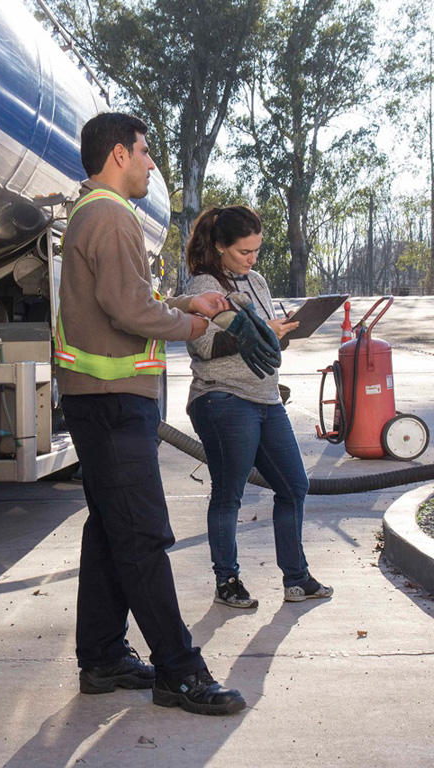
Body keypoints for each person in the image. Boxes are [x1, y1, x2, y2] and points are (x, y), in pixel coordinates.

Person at [55, 112, 250, 715]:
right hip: (112, 404)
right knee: (140, 534)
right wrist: (193, 323)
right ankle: (178, 669)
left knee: (109, 529)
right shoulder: (111, 216)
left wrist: (190, 298)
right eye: (145, 152)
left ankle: (104, 657)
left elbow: (129, 298)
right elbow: (128, 311)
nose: (150, 164)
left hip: (99, 400)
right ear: (118, 154)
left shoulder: (94, 214)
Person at [185, 205, 334, 609]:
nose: (251, 260)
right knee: (230, 494)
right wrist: (258, 332)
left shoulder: (259, 282)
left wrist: (280, 333)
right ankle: (227, 582)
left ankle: (297, 579)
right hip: (223, 398)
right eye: (243, 252)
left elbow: (265, 344)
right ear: (219, 247)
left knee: (293, 486)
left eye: (256, 251)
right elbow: (202, 346)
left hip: (267, 398)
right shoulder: (203, 284)